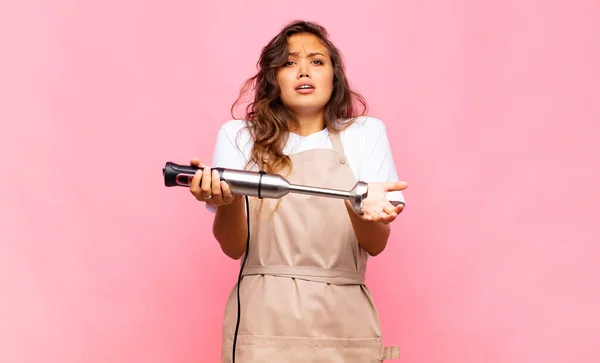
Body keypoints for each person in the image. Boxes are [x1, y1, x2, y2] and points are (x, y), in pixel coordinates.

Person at [189, 20, 407, 363]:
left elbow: (376, 245)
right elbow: (234, 248)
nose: (303, 70)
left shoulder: (365, 133)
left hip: (344, 318)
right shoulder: (238, 137)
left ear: (334, 75)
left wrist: (364, 210)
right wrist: (227, 201)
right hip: (263, 316)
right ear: (273, 77)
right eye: (289, 63)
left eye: (317, 61)